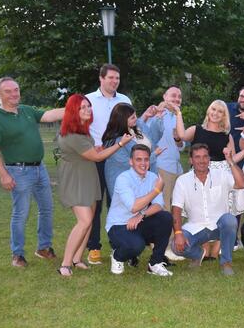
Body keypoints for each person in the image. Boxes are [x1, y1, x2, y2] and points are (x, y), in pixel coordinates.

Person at [0, 77, 64, 267]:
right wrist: (4, 174)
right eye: (8, 91)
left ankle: (44, 248)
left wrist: (76, 106)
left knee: (46, 209)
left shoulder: (27, 111)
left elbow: (49, 115)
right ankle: (17, 254)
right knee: (21, 213)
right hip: (18, 171)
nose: (14, 94)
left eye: (16, 90)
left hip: (40, 169)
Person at [56, 94, 133, 276]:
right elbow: (97, 157)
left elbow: (90, 152)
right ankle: (65, 264)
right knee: (84, 221)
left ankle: (77, 258)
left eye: (88, 106)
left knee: (89, 220)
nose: (87, 110)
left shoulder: (82, 130)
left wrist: (97, 149)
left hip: (87, 177)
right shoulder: (73, 135)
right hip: (76, 180)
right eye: (82, 107)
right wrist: (120, 143)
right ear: (73, 111)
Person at [175, 99, 244, 255]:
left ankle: (217, 250)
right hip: (199, 173)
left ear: (224, 115)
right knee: (200, 209)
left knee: (222, 209)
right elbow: (181, 135)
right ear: (208, 111)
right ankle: (204, 248)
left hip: (221, 175)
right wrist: (178, 113)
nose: (215, 113)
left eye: (220, 111)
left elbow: (232, 158)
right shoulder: (196, 129)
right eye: (213, 109)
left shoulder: (227, 136)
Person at [170, 144, 244, 275]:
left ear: (209, 159)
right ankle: (199, 254)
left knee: (230, 220)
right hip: (195, 227)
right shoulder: (182, 181)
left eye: (205, 157)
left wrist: (231, 162)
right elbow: (176, 209)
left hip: (218, 226)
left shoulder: (221, 175)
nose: (202, 160)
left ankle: (226, 262)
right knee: (176, 247)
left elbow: (241, 184)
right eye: (197, 157)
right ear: (191, 160)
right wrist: (178, 234)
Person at [85, 63, 132, 265]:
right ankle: (94, 247)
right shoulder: (89, 100)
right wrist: (92, 145)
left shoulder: (124, 100)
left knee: (119, 203)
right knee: (95, 204)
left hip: (119, 159)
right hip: (97, 158)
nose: (114, 81)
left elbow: (131, 125)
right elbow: (81, 125)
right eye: (110, 78)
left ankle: (119, 246)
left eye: (117, 78)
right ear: (101, 79)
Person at [106, 144, 174, 277]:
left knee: (165, 218)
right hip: (118, 225)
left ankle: (155, 263)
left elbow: (158, 205)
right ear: (131, 162)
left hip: (138, 221)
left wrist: (141, 215)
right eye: (138, 159)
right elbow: (134, 207)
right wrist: (156, 190)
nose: (143, 163)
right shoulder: (123, 178)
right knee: (136, 246)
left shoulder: (153, 177)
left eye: (146, 159)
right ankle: (117, 256)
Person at [102, 103, 162, 200]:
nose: (136, 119)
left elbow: (151, 135)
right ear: (123, 120)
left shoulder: (135, 128)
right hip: (125, 184)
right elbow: (127, 163)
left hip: (143, 180)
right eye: (133, 117)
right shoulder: (115, 140)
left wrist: (153, 117)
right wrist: (154, 155)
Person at [145, 86, 185, 211]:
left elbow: (182, 146)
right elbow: (149, 136)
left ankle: (176, 231)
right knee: (164, 206)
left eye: (179, 97)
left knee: (177, 206)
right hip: (162, 167)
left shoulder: (178, 117)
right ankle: (167, 231)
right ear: (165, 97)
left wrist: (178, 139)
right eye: (173, 95)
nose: (177, 99)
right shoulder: (155, 114)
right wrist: (159, 111)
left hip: (177, 169)